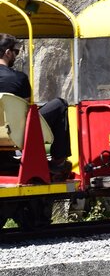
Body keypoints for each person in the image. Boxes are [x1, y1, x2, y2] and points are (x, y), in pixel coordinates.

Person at [0, 33, 71, 177]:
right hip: (17, 131)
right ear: (7, 53)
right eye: (16, 52)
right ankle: (58, 162)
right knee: (60, 104)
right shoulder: (18, 78)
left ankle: (5, 158)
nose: (16, 55)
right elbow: (26, 110)